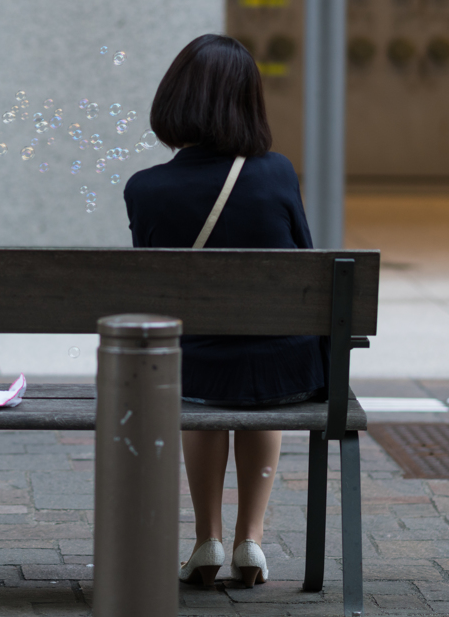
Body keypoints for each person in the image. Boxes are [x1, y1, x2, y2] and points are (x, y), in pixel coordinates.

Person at [123, 34, 326, 588]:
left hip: (194, 369)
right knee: (254, 369)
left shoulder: (145, 189)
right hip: (284, 370)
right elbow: (305, 270)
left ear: (174, 99)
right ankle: (250, 539)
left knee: (203, 377)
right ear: (247, 103)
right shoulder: (278, 173)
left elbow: (153, 295)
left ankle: (206, 537)